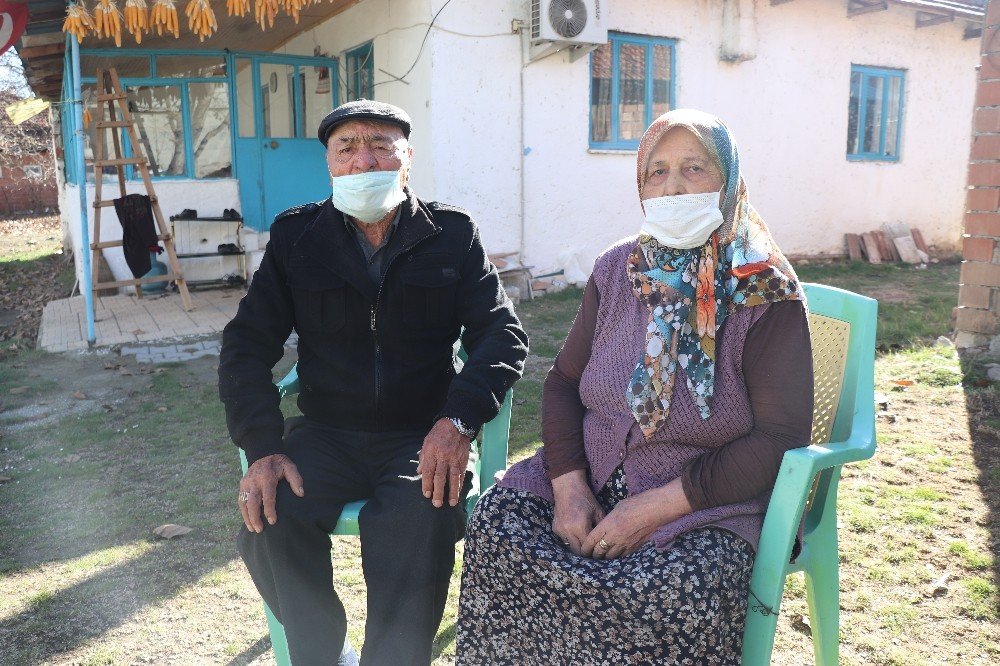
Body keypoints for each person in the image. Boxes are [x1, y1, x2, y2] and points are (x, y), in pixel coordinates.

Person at [455, 109, 813, 663]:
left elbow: (778, 438)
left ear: (730, 180)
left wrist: (654, 508)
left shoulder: (763, 290)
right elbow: (562, 386)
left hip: (705, 500)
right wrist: (570, 489)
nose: (673, 188)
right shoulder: (617, 268)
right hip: (594, 473)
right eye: (657, 172)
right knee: (498, 529)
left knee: (656, 592)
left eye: (695, 169)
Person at [219, 99, 528, 666]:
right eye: (347, 148)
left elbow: (501, 336)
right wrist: (262, 445)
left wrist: (458, 422)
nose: (365, 160)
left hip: (423, 433)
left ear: (406, 159)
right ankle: (322, 654)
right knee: (272, 520)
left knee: (420, 517)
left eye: (382, 146)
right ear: (330, 165)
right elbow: (245, 346)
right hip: (326, 433)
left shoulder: (451, 234)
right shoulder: (297, 237)